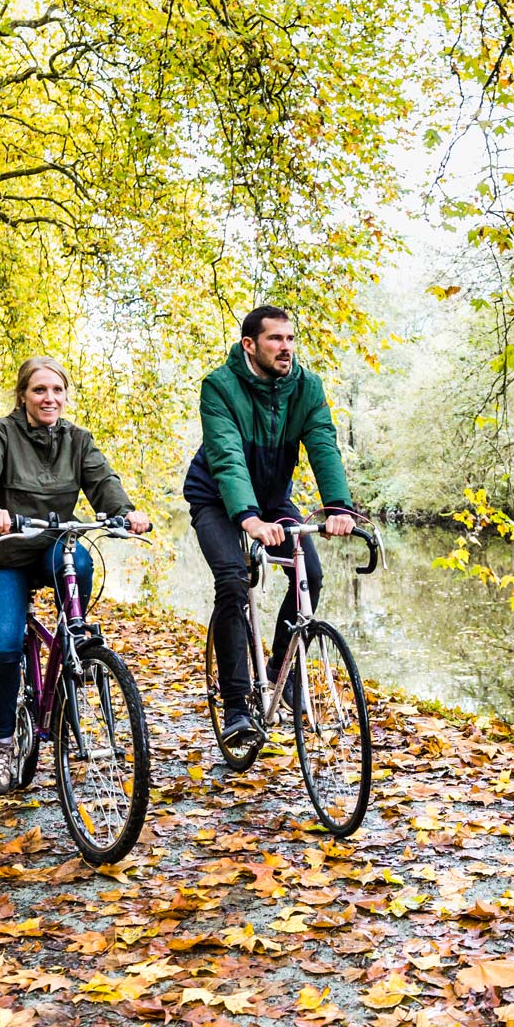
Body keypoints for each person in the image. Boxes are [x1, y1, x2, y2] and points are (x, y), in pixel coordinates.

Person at [0, 356, 151, 794]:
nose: (50, 398)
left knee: (81, 561)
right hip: (4, 552)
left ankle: (73, 647)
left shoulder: (78, 441)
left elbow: (104, 481)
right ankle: (2, 743)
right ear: (23, 395)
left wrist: (124, 513)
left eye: (57, 390)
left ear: (65, 395)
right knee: (6, 644)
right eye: (40, 390)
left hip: (50, 546)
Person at [185, 305, 358, 745]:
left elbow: (322, 445)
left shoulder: (307, 387)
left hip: (274, 497)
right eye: (275, 339)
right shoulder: (219, 387)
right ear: (250, 344)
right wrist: (249, 519)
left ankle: (284, 666)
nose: (286, 348)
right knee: (232, 580)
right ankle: (237, 707)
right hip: (217, 498)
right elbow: (225, 454)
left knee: (310, 575)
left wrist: (339, 507)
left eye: (290, 339)